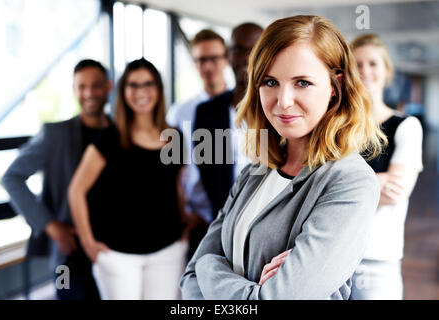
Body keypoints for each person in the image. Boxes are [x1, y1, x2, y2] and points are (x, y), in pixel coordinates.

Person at [180, 15, 386, 300]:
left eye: (302, 82)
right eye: (270, 81)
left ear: (334, 87)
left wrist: (209, 266)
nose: (283, 100)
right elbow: (190, 280)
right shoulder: (257, 171)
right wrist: (206, 266)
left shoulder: (350, 181)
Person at [68, 58, 190, 300]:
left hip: (168, 251)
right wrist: (88, 242)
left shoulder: (174, 136)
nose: (141, 92)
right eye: (133, 85)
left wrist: (184, 224)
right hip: (118, 255)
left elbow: (175, 186)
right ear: (123, 91)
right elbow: (76, 190)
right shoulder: (110, 138)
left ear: (158, 89)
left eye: (148, 84)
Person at [1, 59, 112, 300]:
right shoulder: (56, 134)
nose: (89, 93)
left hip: (111, 250)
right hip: (67, 255)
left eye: (96, 85)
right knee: (66, 294)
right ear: (74, 90)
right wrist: (50, 226)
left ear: (109, 87)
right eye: (82, 86)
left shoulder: (119, 133)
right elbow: (11, 177)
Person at [350, 34, 423, 300]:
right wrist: (374, 183)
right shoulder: (336, 129)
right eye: (357, 64)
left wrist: (336, 188)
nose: (365, 71)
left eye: (372, 63)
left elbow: (395, 190)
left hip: (378, 260)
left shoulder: (406, 127)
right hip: (331, 256)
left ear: (386, 71)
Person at [166, 29, 230, 259]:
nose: (208, 66)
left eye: (214, 58)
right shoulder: (179, 113)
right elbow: (171, 167)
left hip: (239, 215)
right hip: (199, 218)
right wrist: (183, 211)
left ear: (226, 58)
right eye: (201, 60)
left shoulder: (244, 108)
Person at [192, 22, 263, 223]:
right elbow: (208, 175)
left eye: (255, 50)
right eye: (239, 50)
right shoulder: (206, 113)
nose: (247, 58)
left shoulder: (281, 111)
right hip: (223, 221)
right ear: (228, 55)